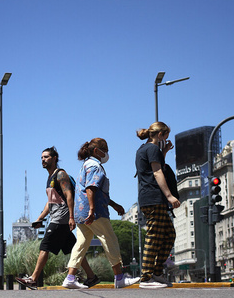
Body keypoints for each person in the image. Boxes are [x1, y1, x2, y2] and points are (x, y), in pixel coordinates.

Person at [16, 147, 99, 290]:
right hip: (57, 217)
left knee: (45, 247)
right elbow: (51, 202)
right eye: (42, 157)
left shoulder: (60, 175)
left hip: (61, 219)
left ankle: (33, 279)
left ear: (54, 158)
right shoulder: (49, 178)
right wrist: (40, 218)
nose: (43, 160)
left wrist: (71, 217)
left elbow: (69, 196)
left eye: (46, 157)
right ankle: (92, 276)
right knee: (74, 249)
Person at [62, 138, 140, 289]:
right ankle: (119, 277)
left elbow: (98, 192)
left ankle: (70, 277)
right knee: (110, 240)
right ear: (97, 151)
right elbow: (91, 188)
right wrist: (92, 210)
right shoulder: (95, 166)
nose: (107, 154)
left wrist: (114, 204)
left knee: (81, 244)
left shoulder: (85, 165)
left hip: (80, 212)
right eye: (106, 150)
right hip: (94, 212)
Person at [135, 122, 181, 289]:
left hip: (150, 198)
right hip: (154, 198)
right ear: (160, 135)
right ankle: (146, 277)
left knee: (169, 235)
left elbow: (153, 165)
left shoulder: (145, 149)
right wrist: (169, 196)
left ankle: (156, 272)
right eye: (165, 136)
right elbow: (157, 172)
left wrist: (164, 152)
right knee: (154, 237)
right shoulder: (152, 149)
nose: (165, 139)